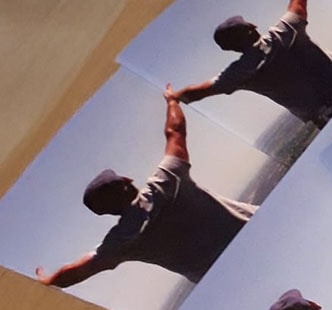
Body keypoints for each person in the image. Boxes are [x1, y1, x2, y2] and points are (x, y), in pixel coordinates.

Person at [36, 89, 256, 288]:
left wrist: (48, 279)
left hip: (228, 279)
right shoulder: (166, 181)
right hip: (256, 232)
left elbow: (77, 271)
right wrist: (172, 102)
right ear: (127, 180)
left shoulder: (121, 241)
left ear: (106, 213)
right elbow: (175, 132)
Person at [169, 0, 332, 128]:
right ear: (251, 28)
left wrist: (173, 97)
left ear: (230, 48)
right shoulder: (284, 32)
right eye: (249, 23)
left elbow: (195, 94)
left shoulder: (237, 73)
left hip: (330, 115)